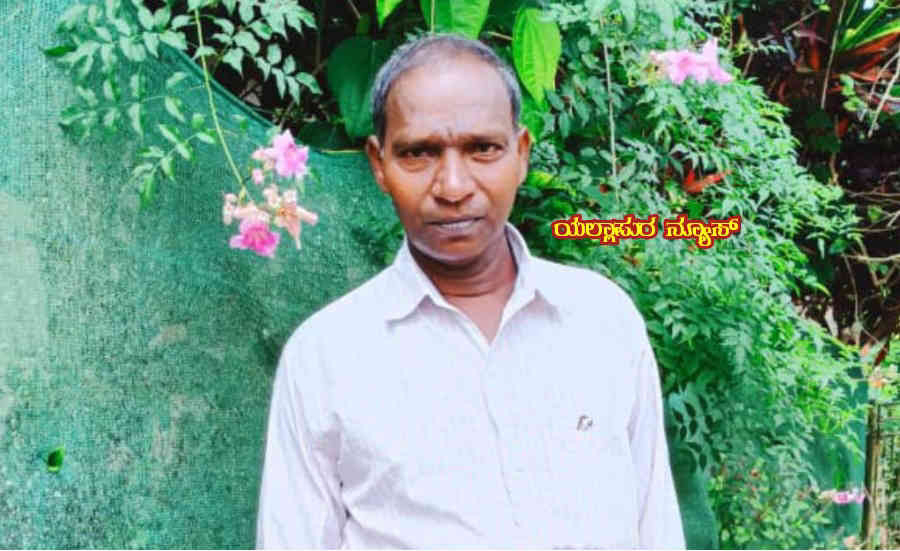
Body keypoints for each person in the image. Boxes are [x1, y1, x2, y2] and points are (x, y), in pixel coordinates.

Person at [255, 32, 685, 549]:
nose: (454, 187)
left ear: (520, 154)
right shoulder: (326, 358)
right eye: (419, 153)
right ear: (379, 164)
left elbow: (656, 525)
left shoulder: (602, 319)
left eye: (483, 149)